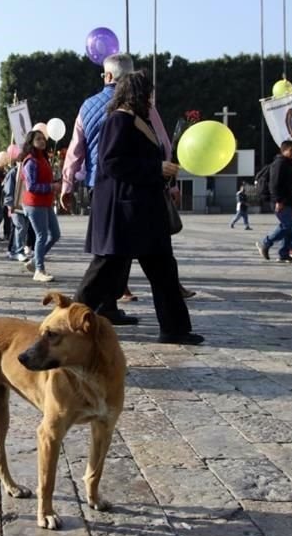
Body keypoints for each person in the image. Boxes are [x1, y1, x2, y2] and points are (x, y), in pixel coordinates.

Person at [74, 70, 202, 345]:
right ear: (137, 94)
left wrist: (162, 172)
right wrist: (156, 168)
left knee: (163, 270)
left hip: (141, 211)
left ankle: (175, 329)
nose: (150, 98)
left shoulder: (137, 121)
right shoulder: (119, 120)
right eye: (147, 93)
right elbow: (112, 162)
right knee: (104, 271)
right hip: (125, 212)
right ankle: (67, 323)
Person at [19, 129, 61, 282]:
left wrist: (55, 183)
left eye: (43, 138)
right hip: (34, 203)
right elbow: (31, 186)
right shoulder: (31, 161)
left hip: (46, 203)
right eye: (38, 139)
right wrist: (51, 187)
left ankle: (35, 261)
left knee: (55, 234)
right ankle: (39, 270)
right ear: (31, 142)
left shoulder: (43, 158)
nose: (42, 141)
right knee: (42, 235)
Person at [256, 140, 292, 263]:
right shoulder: (279, 164)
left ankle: (284, 254)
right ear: (284, 151)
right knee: (287, 226)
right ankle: (266, 243)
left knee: (290, 228)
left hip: (290, 201)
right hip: (281, 201)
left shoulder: (291, 164)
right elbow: (274, 185)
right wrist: (278, 200)